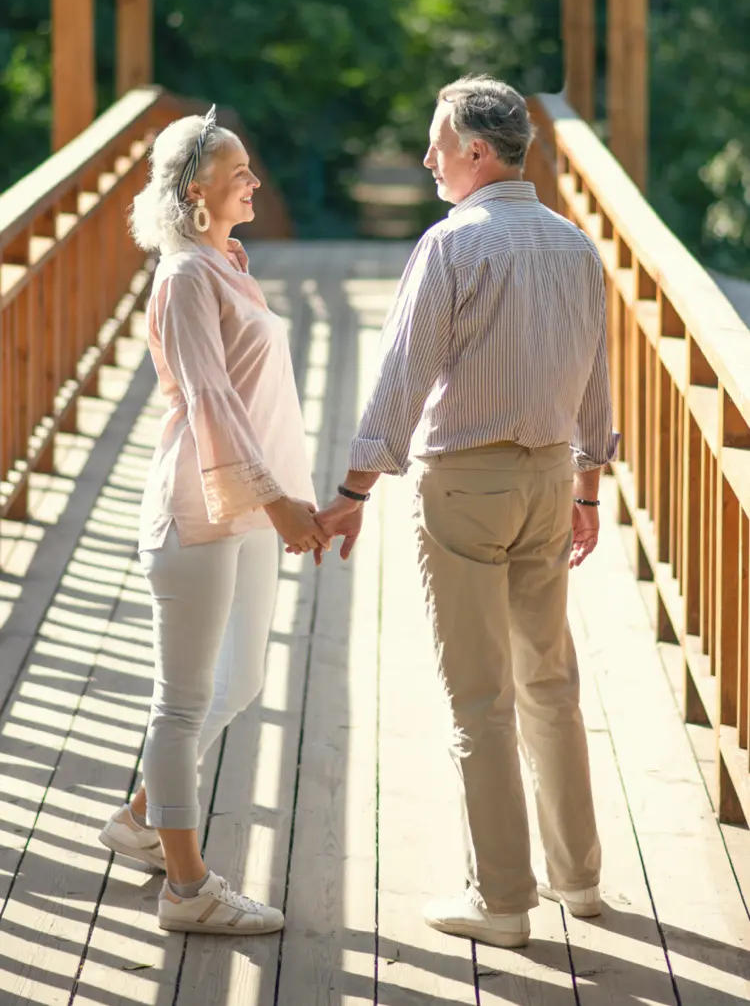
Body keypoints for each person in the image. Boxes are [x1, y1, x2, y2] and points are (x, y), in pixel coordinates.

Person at [312, 75, 618, 949]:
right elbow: (597, 378)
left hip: (466, 486)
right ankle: (580, 878)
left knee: (480, 698)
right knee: (550, 684)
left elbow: (403, 381)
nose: (427, 160)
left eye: (438, 145)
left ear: (476, 152)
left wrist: (352, 493)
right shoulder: (574, 245)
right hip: (552, 479)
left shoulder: (452, 245)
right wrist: (590, 486)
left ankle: (503, 900)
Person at [98, 105, 328, 935]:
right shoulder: (186, 276)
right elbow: (209, 400)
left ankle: (139, 820)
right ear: (198, 189)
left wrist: (278, 505)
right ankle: (187, 888)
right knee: (186, 701)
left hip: (253, 510)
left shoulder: (227, 261)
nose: (255, 182)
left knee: (242, 683)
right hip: (201, 508)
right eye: (240, 174)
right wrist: (280, 502)